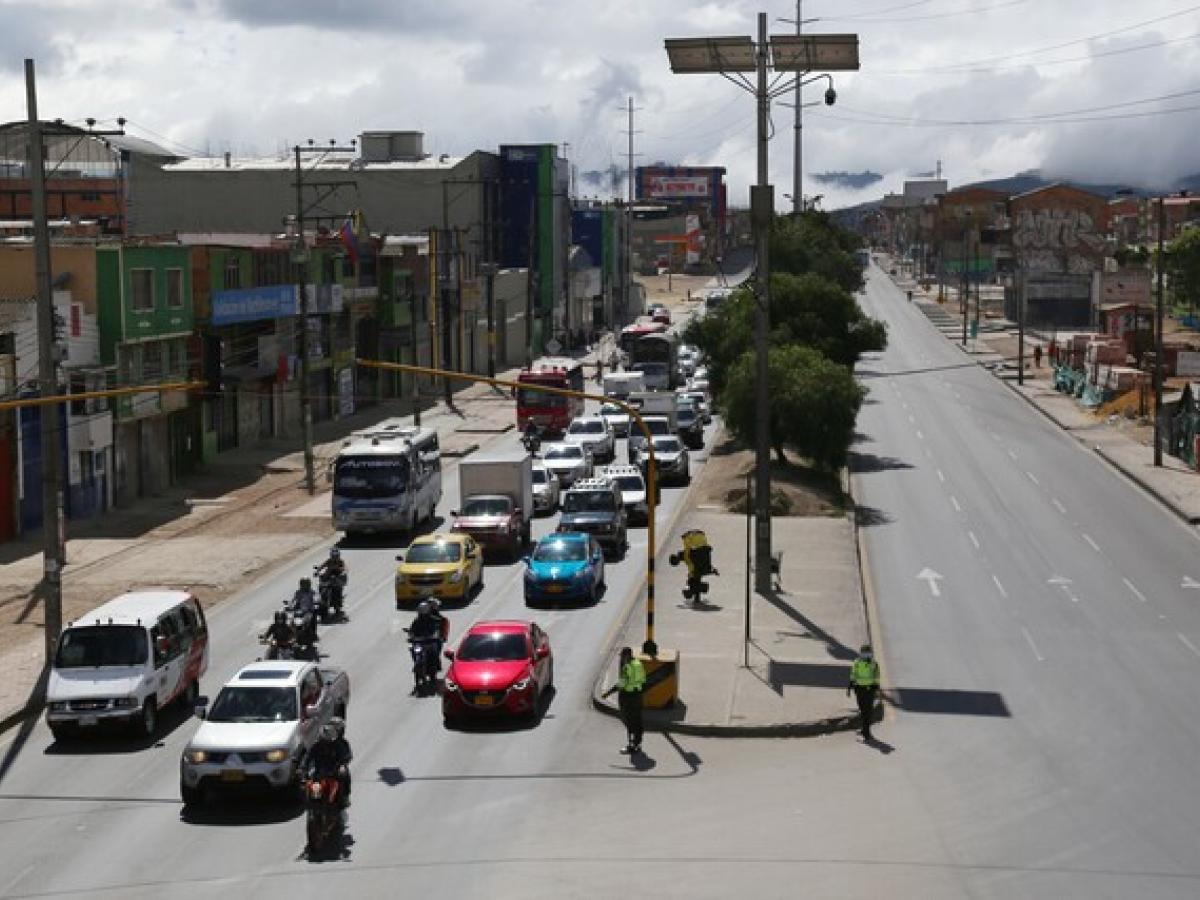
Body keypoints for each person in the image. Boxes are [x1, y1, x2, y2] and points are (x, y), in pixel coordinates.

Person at [603, 647, 646, 754]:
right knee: (637, 720)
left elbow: (622, 684)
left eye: (622, 656)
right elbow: (644, 679)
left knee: (629, 721)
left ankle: (631, 746)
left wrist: (608, 693)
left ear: (627, 655)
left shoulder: (628, 667)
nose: (621, 659)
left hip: (629, 697)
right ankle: (638, 743)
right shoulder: (638, 663)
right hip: (638, 695)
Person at [306, 722, 352, 807]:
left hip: (333, 772)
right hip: (319, 773)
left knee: (344, 776)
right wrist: (303, 769)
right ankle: (312, 808)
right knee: (311, 787)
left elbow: (345, 756)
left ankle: (343, 798)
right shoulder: (316, 746)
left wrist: (342, 765)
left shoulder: (338, 745)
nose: (326, 742)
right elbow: (308, 758)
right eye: (324, 740)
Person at [847, 643, 881, 741]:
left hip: (861, 690)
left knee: (864, 711)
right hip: (868, 690)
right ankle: (865, 730)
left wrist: (850, 686)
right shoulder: (873, 663)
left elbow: (853, 675)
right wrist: (876, 687)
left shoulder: (857, 662)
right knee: (866, 711)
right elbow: (877, 676)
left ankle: (866, 731)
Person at [408, 599, 448, 676]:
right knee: (412, 649)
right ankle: (417, 662)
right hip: (419, 642)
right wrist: (411, 636)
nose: (422, 613)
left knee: (434, 652)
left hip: (430, 641)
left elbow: (436, 629)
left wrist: (435, 636)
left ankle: (435, 667)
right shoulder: (416, 621)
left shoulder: (433, 619)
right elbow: (412, 629)